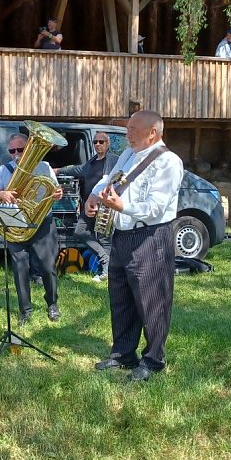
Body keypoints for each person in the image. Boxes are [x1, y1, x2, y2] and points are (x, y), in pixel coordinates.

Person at [86, 110, 183, 382]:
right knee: (121, 297)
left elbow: (156, 207)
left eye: (133, 129)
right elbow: (111, 180)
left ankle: (154, 359)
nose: (127, 134)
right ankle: (123, 354)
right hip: (122, 235)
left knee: (152, 301)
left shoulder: (169, 162)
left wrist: (122, 206)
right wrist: (93, 196)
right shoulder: (129, 154)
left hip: (150, 236)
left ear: (153, 132)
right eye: (127, 128)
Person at [0, 133, 63, 324]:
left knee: (47, 266)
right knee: (20, 267)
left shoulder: (44, 166)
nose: (16, 154)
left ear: (29, 148)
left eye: (20, 150)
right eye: (12, 151)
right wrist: (2, 193)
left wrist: (58, 194)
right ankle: (25, 310)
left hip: (41, 222)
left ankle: (52, 304)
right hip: (15, 224)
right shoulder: (4, 170)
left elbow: (55, 190)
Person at [57, 131, 120, 281]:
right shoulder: (91, 162)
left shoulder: (113, 160)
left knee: (104, 239)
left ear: (108, 144)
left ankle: (106, 272)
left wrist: (101, 201)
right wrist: (57, 170)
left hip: (105, 206)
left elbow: (112, 181)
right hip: (88, 207)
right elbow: (76, 169)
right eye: (95, 142)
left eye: (101, 141)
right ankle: (105, 260)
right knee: (80, 232)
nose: (98, 144)